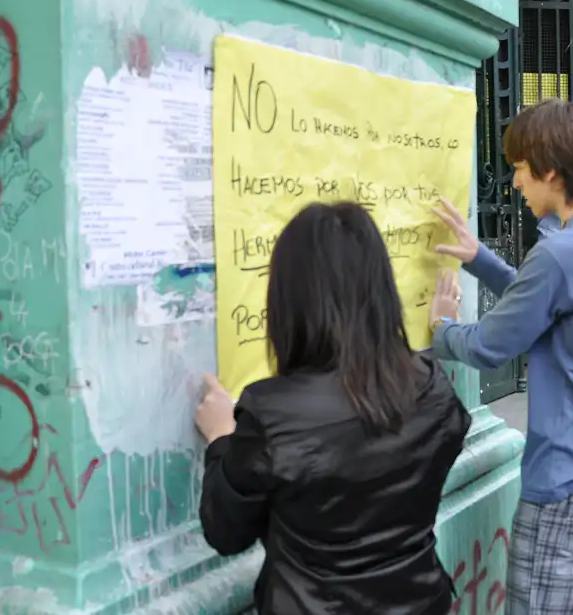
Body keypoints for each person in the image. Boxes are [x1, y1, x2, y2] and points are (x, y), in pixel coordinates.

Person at [427, 98, 573, 613]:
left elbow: (489, 344)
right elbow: (547, 307)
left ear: (551, 172)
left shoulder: (559, 253)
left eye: (520, 169)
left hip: (565, 482)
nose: (514, 183)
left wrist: (439, 330)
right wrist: (480, 259)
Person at [194, 202, 472, 615]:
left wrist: (221, 438)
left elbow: (225, 531)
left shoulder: (272, 413)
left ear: (289, 299)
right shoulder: (430, 385)